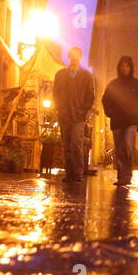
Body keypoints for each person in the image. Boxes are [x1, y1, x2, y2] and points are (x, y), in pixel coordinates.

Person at [101, 55, 138, 187]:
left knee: (128, 146)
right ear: (119, 67)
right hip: (117, 121)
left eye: (127, 65)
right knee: (119, 149)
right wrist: (110, 113)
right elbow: (105, 100)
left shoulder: (137, 84)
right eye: (122, 65)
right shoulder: (113, 84)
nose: (124, 68)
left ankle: (127, 174)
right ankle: (121, 176)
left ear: (131, 67)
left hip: (131, 121)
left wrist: (137, 111)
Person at [53, 47, 95, 184]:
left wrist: (86, 110)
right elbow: (56, 93)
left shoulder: (86, 76)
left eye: (77, 55)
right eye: (73, 55)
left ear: (80, 57)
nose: (75, 58)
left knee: (76, 142)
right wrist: (59, 107)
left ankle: (77, 173)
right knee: (66, 144)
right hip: (65, 114)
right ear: (69, 56)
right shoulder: (60, 74)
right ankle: (69, 173)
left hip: (79, 115)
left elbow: (90, 94)